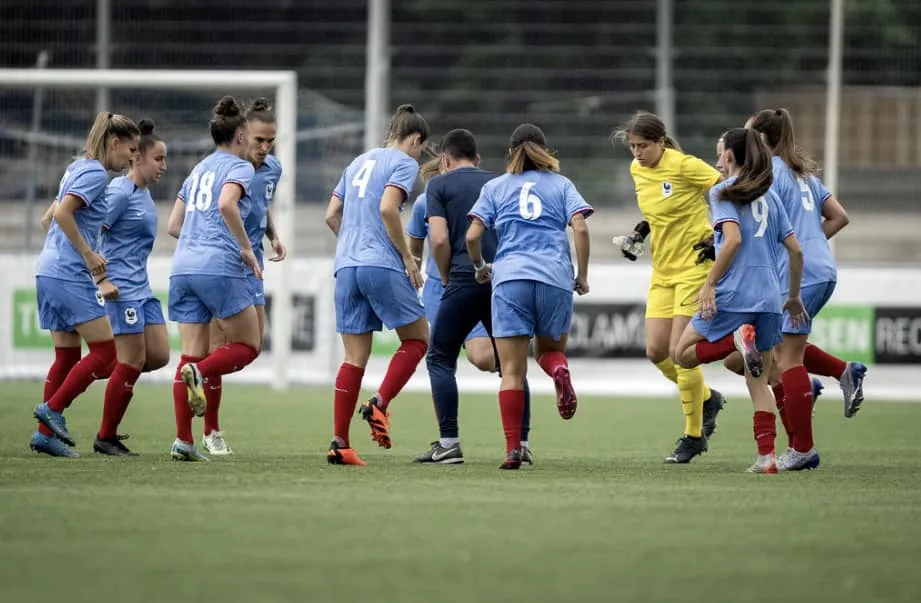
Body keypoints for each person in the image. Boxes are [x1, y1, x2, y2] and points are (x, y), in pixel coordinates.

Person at [673, 127, 807, 474]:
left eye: (720, 153)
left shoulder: (722, 192)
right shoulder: (771, 196)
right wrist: (792, 296)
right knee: (757, 381)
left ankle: (733, 340)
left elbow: (731, 241)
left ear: (730, 157)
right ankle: (767, 458)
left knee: (682, 355)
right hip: (769, 299)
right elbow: (796, 250)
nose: (717, 160)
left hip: (734, 294)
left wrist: (709, 284)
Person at [467, 123, 592, 470]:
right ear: (545, 151)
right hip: (554, 277)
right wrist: (581, 274)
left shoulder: (495, 187)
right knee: (550, 352)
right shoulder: (562, 185)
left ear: (511, 153)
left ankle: (512, 450)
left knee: (511, 371)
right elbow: (580, 227)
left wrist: (479, 265)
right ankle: (561, 371)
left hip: (510, 279)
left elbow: (473, 234)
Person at [611, 111, 726, 464]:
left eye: (643, 145)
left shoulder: (684, 165)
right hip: (662, 270)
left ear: (661, 141)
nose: (637, 153)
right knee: (655, 350)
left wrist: (718, 234)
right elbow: (659, 210)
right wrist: (640, 232)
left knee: (681, 351)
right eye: (632, 146)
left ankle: (693, 436)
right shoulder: (636, 170)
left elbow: (726, 190)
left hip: (694, 267)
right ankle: (707, 397)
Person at [414, 129, 534, 465]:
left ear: (445, 160)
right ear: (478, 159)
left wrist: (444, 273)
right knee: (513, 365)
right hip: (503, 280)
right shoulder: (500, 182)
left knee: (440, 358)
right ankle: (519, 445)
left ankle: (449, 443)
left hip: (465, 277)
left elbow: (437, 239)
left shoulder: (439, 184)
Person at [324, 104, 430, 466]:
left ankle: (340, 442)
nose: (419, 156)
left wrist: (351, 245)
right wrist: (405, 257)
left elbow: (330, 215)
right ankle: (379, 403)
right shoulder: (403, 163)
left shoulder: (357, 162)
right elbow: (388, 208)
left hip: (346, 266)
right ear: (414, 140)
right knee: (418, 339)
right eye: (421, 148)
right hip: (379, 263)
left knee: (354, 357)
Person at [31, 111, 139, 458]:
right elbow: (61, 215)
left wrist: (65, 250)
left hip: (48, 269)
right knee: (106, 353)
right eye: (131, 149)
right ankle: (53, 409)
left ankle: (44, 436)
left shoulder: (76, 167)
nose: (132, 157)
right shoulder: (93, 173)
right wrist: (87, 254)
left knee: (65, 358)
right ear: (113, 143)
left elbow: (48, 218)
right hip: (68, 273)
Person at [167, 96, 263, 462]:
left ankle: (183, 441)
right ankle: (200, 371)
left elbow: (174, 225)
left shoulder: (198, 170)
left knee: (189, 353)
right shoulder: (240, 168)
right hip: (218, 265)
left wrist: (197, 241)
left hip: (183, 266)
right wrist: (244, 247)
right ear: (240, 135)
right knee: (248, 344)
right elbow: (226, 204)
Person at [191, 98, 287, 456]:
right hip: (224, 264)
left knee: (252, 346)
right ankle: (210, 431)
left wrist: (272, 233)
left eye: (270, 141)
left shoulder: (273, 169)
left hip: (254, 265)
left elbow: (261, 206)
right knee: (220, 348)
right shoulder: (227, 168)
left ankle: (195, 373)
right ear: (243, 136)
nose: (264, 148)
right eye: (259, 140)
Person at [94, 119, 170, 456]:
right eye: (159, 159)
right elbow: (94, 233)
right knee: (133, 359)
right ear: (136, 157)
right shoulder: (119, 191)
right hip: (120, 288)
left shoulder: (144, 193)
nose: (164, 166)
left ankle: (91, 371)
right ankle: (105, 436)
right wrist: (101, 279)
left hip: (142, 288)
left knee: (158, 355)